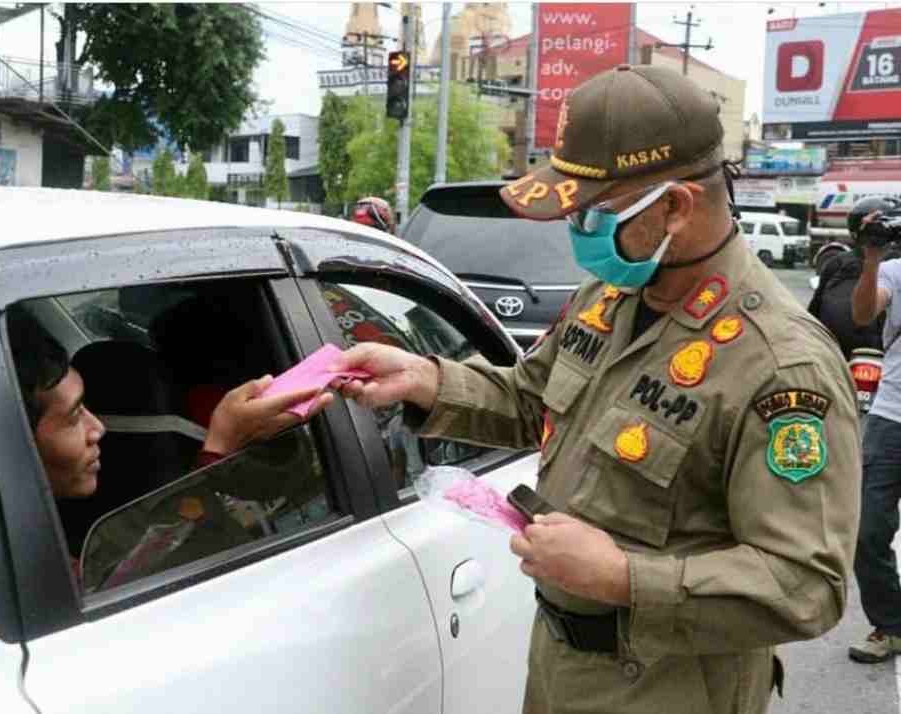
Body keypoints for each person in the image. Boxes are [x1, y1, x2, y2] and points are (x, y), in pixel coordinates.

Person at [331, 64, 861, 714]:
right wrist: (426, 380)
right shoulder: (609, 297)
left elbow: (807, 585)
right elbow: (530, 400)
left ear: (675, 207)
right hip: (562, 663)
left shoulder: (781, 363)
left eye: (593, 213)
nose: (576, 230)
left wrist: (623, 577)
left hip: (671, 687)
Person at [7, 308, 332, 579]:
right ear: (18, 439)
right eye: (73, 416)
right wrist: (217, 452)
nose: (99, 428)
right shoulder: (18, 561)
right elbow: (129, 581)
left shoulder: (18, 528)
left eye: (88, 407)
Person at [847, 200, 901, 664]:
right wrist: (871, 258)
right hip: (891, 418)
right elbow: (863, 315)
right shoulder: (893, 272)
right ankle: (890, 626)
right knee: (868, 532)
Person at [807, 198, 899, 359]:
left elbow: (814, 311)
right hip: (871, 355)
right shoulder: (890, 265)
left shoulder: (836, 263)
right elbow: (861, 316)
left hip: (838, 353)